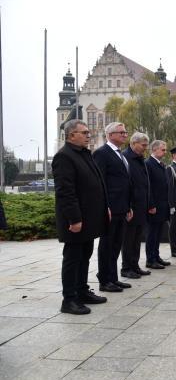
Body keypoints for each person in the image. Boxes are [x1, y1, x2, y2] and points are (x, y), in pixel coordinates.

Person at [52, 119, 109, 315]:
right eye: (83, 132)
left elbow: (98, 184)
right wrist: (74, 219)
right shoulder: (64, 157)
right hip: (77, 220)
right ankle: (69, 300)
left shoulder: (84, 154)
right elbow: (65, 191)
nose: (88, 135)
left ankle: (82, 291)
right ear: (71, 135)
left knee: (85, 256)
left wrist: (105, 207)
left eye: (88, 132)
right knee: (73, 258)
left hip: (90, 218)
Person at [93, 122, 133, 293]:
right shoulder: (102, 153)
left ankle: (113, 278)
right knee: (107, 245)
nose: (125, 135)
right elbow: (99, 182)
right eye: (121, 132)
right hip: (111, 208)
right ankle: (104, 280)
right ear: (110, 135)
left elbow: (125, 182)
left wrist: (129, 206)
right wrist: (105, 206)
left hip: (122, 207)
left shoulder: (120, 154)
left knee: (117, 244)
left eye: (126, 132)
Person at [121, 132, 153, 278]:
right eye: (143, 145)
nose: (145, 148)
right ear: (133, 143)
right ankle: (126, 268)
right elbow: (125, 185)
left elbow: (146, 184)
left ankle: (135, 265)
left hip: (142, 206)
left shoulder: (140, 159)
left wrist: (149, 203)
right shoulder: (125, 158)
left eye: (146, 145)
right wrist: (128, 206)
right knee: (128, 239)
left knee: (137, 239)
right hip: (131, 207)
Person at [145, 140, 171, 269]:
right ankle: (150, 259)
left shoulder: (161, 164)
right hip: (154, 206)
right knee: (152, 233)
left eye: (165, 150)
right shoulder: (148, 164)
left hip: (163, 205)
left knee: (158, 232)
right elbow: (148, 187)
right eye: (163, 150)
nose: (165, 152)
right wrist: (151, 205)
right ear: (154, 150)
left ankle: (156, 256)